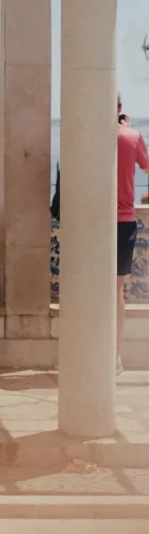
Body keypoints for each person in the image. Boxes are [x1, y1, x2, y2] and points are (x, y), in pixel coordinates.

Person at [116, 96, 149, 375]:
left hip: (89, 224)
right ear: (119, 109)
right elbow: (146, 167)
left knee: (86, 290)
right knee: (116, 292)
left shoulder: (88, 136)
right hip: (123, 222)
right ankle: (114, 356)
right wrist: (127, 128)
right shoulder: (132, 136)